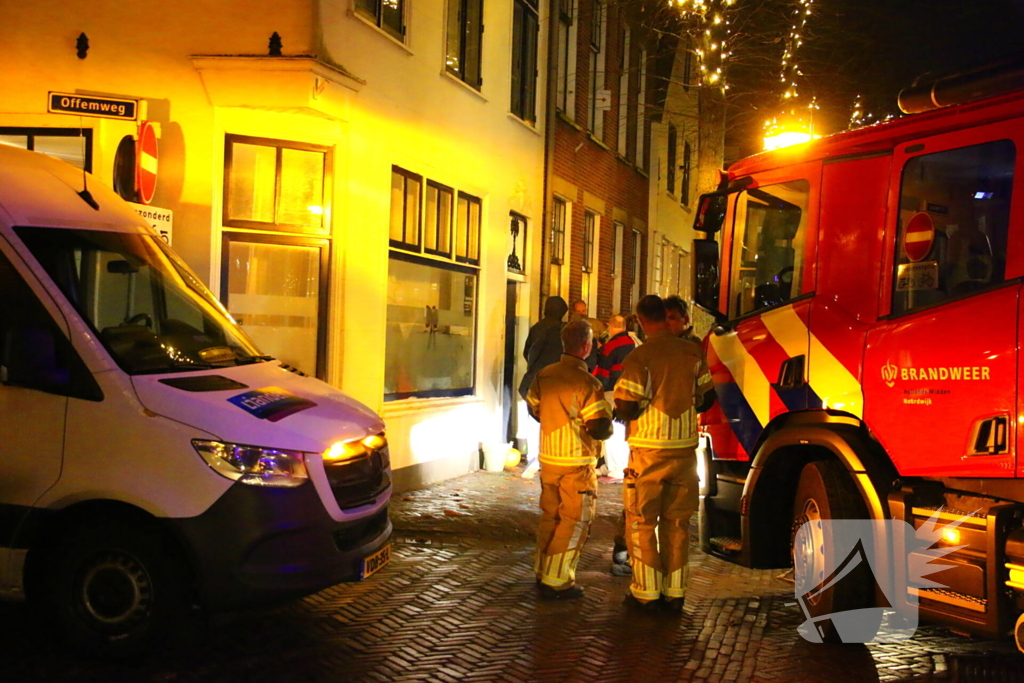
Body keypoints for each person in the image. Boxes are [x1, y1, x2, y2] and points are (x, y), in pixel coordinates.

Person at [614, 294, 713, 612]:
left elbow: (628, 405)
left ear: (642, 321)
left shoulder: (640, 357)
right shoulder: (693, 352)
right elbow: (707, 398)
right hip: (684, 452)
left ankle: (646, 592)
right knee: (678, 524)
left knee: (642, 522)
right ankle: (675, 593)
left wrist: (624, 409)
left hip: (649, 451)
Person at [526, 321, 613, 600]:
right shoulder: (588, 382)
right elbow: (599, 426)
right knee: (575, 520)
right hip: (576, 461)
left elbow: (534, 408)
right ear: (587, 347)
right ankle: (558, 579)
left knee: (550, 516)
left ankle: (542, 571)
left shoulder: (545, 375)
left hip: (549, 460)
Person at [518, 296, 569, 479]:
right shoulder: (564, 330)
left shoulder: (537, 328)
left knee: (533, 419)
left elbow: (528, 352)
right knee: (555, 419)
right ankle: (552, 456)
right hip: (557, 382)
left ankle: (533, 457)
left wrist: (535, 367)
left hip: (535, 382)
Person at [594, 314, 635, 481]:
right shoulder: (632, 343)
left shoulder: (610, 346)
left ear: (610, 328)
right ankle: (612, 466)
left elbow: (603, 373)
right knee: (623, 430)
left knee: (612, 432)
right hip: (628, 390)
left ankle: (616, 469)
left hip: (612, 391)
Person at [665, 295, 716, 413]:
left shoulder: (695, 348)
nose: (667, 324)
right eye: (663, 319)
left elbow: (705, 392)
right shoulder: (656, 346)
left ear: (685, 320)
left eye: (672, 318)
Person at [570, 299, 605, 371]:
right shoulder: (569, 327)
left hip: (593, 364)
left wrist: (601, 346)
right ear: (573, 312)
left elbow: (607, 339)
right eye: (578, 311)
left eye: (583, 311)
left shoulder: (596, 324)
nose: (581, 314)